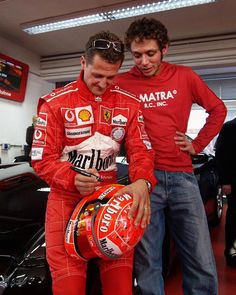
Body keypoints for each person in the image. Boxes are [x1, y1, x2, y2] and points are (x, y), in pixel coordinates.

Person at [31, 30, 156, 295]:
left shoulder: (129, 103)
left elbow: (141, 152)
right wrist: (71, 177)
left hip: (112, 200)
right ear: (82, 62)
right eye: (97, 75)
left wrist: (143, 182)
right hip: (64, 201)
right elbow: (41, 160)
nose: (103, 83)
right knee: (69, 288)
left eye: (111, 77)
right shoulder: (55, 104)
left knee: (120, 288)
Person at [115, 17, 227, 295]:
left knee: (200, 258)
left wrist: (197, 144)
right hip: (143, 181)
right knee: (147, 262)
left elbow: (218, 109)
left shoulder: (185, 76)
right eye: (137, 54)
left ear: (165, 48)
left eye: (150, 53)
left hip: (182, 178)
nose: (143, 61)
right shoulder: (120, 82)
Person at [215, 118, 236, 268]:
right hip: (234, 182)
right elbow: (221, 156)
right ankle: (232, 254)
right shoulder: (229, 127)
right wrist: (225, 181)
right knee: (234, 219)